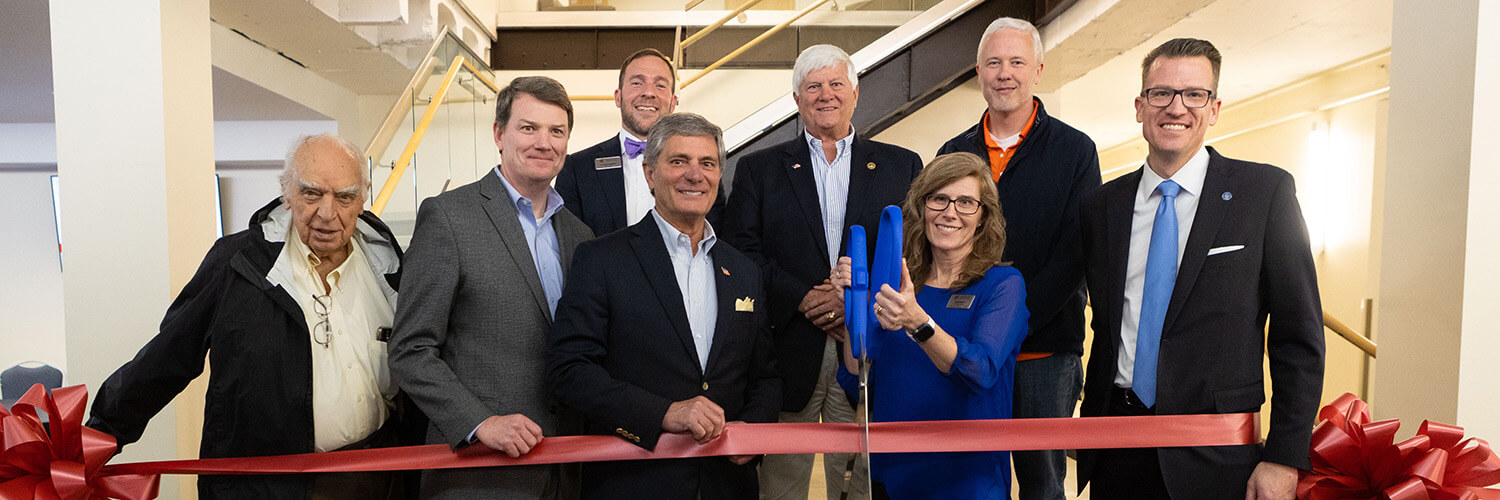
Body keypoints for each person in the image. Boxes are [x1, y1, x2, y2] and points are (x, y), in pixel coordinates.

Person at [88, 133, 415, 499]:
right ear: (286, 194)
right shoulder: (236, 263)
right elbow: (168, 357)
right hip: (261, 486)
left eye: (344, 196)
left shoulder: (391, 270)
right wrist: (97, 436)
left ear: (362, 198)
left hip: (374, 479)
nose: (328, 213)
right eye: (311, 193)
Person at [1076, 38, 1324, 499]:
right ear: (1139, 106)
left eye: (1194, 94)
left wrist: (1286, 456)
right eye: (1161, 93)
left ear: (1214, 109)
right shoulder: (1101, 207)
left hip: (1218, 457)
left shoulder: (1264, 194)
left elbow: (1299, 338)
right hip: (1117, 446)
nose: (1176, 107)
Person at [721, 43, 922, 500]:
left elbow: (911, 249)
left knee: (861, 481)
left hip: (869, 345)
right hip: (788, 346)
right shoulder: (758, 169)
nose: (825, 94)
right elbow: (739, 249)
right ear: (797, 99)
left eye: (836, 84)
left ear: (855, 93)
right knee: (782, 483)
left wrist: (853, 297)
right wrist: (803, 297)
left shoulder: (901, 164)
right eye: (813, 86)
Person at [547, 113, 781, 499]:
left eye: (707, 163)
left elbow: (766, 377)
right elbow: (568, 369)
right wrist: (664, 412)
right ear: (650, 174)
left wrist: (754, 430)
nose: (695, 174)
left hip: (728, 483)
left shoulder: (744, 271)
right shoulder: (602, 260)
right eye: (678, 161)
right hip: (636, 482)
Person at [387, 76, 594, 499]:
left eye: (557, 132)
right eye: (528, 128)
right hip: (479, 474)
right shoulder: (449, 218)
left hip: (564, 472)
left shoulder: (579, 235)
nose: (544, 142)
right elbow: (410, 350)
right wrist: (481, 423)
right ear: (499, 134)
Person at [936, 17, 1100, 499]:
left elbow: (1076, 254)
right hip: (965, 352)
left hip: (1043, 353)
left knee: (1042, 483)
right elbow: (937, 245)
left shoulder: (1075, 150)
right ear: (979, 72)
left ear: (1038, 71)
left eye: (1016, 62)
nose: (1004, 73)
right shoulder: (954, 152)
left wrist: (1008, 325)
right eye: (993, 63)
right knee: (968, 478)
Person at [830, 152, 1029, 499]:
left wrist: (917, 321)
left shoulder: (1002, 284)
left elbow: (979, 371)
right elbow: (858, 374)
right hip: (893, 475)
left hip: (967, 480)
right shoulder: (900, 283)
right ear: (922, 208)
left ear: (983, 218)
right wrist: (854, 309)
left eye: (966, 202)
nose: (950, 212)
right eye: (939, 198)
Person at [557, 48, 726, 236]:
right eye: (637, 83)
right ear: (618, 97)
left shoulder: (702, 174)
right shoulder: (577, 168)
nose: (648, 93)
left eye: (660, 86)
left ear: (673, 102)